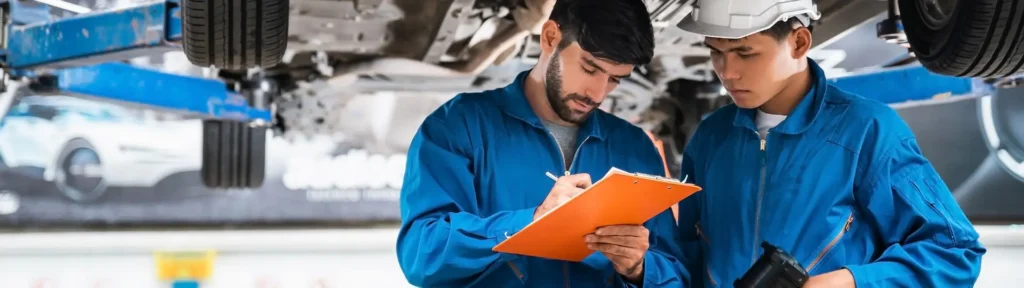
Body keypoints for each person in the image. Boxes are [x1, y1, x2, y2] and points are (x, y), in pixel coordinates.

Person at [672, 1, 986, 287]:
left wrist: (852, 282)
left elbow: (954, 251)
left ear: (798, 42)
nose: (727, 72)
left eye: (745, 53)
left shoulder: (866, 130)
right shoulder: (711, 137)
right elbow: (687, 255)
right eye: (716, 52)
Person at [395, 0, 685, 287]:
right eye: (590, 68)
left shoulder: (635, 147)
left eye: (615, 80)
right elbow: (422, 256)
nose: (597, 93)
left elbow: (677, 275)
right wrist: (530, 222)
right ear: (550, 37)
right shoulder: (459, 126)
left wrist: (638, 268)